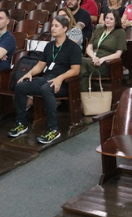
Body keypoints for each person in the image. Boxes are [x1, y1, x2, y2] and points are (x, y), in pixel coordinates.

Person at [8, 15, 81, 144]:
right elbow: (41, 66)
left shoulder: (72, 47)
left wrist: (60, 78)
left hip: (64, 83)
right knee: (20, 86)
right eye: (52, 25)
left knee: (46, 89)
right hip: (47, 78)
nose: (52, 28)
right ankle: (21, 123)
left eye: (56, 26)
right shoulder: (49, 46)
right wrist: (29, 73)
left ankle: (53, 129)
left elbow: (75, 70)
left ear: (65, 29)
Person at [80, 10, 127, 93]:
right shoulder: (99, 29)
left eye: (111, 19)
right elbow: (89, 48)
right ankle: (83, 94)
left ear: (116, 21)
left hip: (107, 64)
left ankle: (77, 94)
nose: (108, 20)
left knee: (79, 62)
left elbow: (118, 54)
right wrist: (94, 57)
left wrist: (102, 59)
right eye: (107, 18)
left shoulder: (120, 32)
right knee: (79, 65)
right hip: (93, 60)